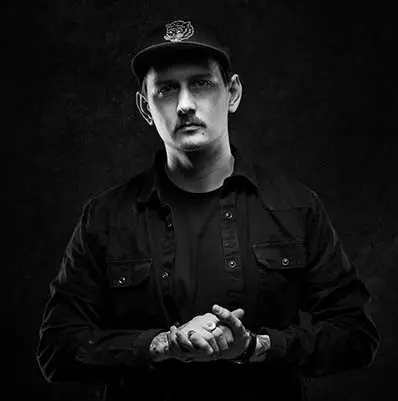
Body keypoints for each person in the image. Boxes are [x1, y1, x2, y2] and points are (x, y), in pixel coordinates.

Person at [37, 18, 380, 401]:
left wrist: (256, 346)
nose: (185, 105)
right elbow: (57, 349)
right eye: (167, 89)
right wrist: (161, 345)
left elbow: (355, 334)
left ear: (232, 93)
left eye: (201, 83)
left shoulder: (295, 207)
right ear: (145, 107)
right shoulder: (105, 218)